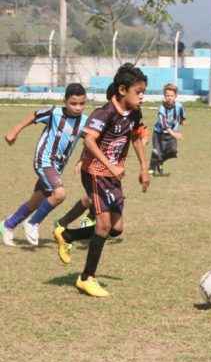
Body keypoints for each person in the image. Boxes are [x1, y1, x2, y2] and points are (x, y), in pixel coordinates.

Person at [54, 63, 150, 297]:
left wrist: (144, 167)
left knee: (116, 229)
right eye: (138, 92)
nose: (142, 96)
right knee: (104, 224)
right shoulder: (104, 113)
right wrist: (110, 166)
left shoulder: (134, 113)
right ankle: (86, 278)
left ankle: (66, 235)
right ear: (122, 90)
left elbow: (137, 137)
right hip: (95, 172)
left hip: (112, 175)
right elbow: (89, 141)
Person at [0, 84, 88, 247]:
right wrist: (15, 130)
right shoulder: (54, 113)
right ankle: (33, 223)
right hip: (44, 160)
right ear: (65, 101)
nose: (77, 107)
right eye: (73, 103)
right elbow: (33, 116)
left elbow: (90, 142)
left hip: (57, 168)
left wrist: (82, 160)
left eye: (82, 104)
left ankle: (8, 225)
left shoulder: (84, 121)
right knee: (59, 194)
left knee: (36, 201)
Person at [148, 83, 185, 176]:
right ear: (164, 96)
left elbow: (182, 115)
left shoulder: (179, 106)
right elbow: (164, 125)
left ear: (175, 96)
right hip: (159, 133)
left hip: (171, 133)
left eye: (171, 96)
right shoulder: (162, 108)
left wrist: (182, 121)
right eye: (167, 95)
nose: (169, 97)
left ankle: (159, 162)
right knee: (156, 151)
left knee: (172, 152)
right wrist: (175, 134)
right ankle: (151, 167)